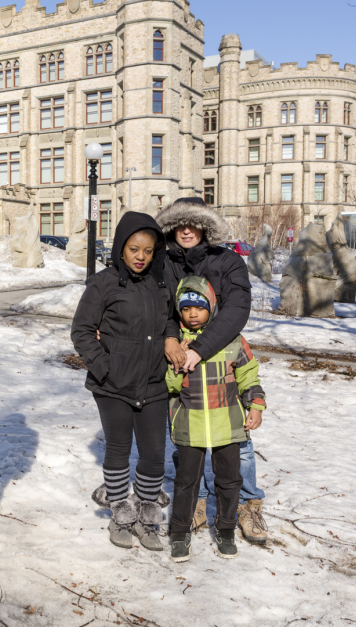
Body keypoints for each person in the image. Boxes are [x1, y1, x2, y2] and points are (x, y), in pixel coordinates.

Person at [156, 197, 268, 545]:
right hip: (183, 361)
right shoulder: (165, 263)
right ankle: (198, 502)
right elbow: (161, 307)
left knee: (238, 443)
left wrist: (201, 349)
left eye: (193, 224)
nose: (186, 230)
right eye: (180, 224)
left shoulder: (228, 260)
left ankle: (248, 504)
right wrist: (171, 339)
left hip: (224, 357)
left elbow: (237, 310)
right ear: (172, 227)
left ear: (205, 227)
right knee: (189, 441)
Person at [71, 212, 172, 551]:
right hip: (113, 385)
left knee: (154, 455)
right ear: (121, 248)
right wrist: (105, 367)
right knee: (118, 451)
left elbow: (170, 321)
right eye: (134, 249)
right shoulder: (103, 283)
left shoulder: (160, 284)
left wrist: (170, 340)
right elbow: (82, 330)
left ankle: (146, 518)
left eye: (147, 250)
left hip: (154, 382)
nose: (141, 256)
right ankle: (121, 518)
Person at [166, 276, 266, 562]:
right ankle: (179, 532)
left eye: (198, 307)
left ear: (211, 306)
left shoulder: (232, 340)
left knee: (228, 480)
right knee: (186, 482)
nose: (192, 314)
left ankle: (225, 529)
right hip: (190, 425)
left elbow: (249, 377)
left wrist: (256, 405)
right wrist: (178, 362)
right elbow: (171, 387)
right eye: (185, 309)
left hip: (229, 425)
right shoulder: (177, 345)